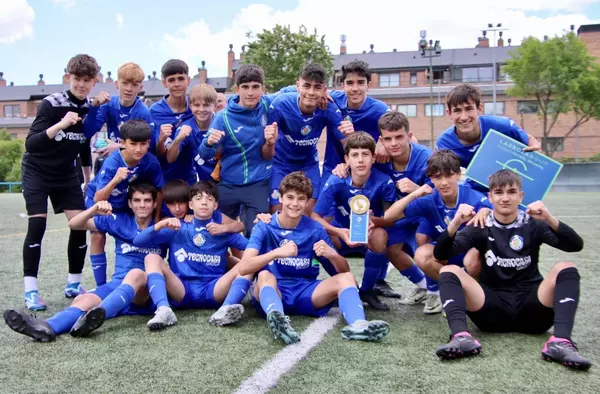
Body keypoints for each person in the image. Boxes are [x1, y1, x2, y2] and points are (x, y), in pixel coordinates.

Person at [432, 169, 591, 370]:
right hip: (492, 310)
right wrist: (456, 222)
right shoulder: (480, 226)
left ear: (521, 196)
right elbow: (440, 254)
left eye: (511, 192)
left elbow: (575, 245)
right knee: (449, 271)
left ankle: (560, 341)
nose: (505, 198)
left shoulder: (533, 224)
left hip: (533, 310)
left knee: (566, 267)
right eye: (499, 192)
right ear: (490, 197)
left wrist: (549, 218)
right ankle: (461, 337)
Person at [239, 171, 389, 345]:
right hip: (274, 291)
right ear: (280, 198)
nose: (295, 204)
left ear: (307, 202)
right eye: (290, 197)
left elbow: (343, 273)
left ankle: (359, 324)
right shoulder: (264, 226)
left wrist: (332, 254)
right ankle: (278, 318)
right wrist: (277, 253)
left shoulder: (315, 229)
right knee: (265, 276)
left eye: (301, 199)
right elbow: (244, 267)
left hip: (306, 292)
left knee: (346, 278)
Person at [3, 182, 166, 341]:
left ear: (154, 203)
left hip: (145, 292)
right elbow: (74, 224)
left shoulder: (163, 226)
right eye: (137, 200)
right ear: (130, 203)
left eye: (147, 201)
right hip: (118, 285)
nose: (142, 205)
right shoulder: (119, 221)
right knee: (84, 300)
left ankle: (98, 313)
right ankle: (48, 327)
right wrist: (93, 210)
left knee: (137, 274)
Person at [20, 54, 99, 310]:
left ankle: (73, 284)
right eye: (77, 79)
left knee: (80, 224)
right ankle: (31, 291)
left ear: (94, 81)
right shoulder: (51, 104)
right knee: (37, 226)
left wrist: (88, 179)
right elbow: (31, 143)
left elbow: (84, 143)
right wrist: (61, 124)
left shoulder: (90, 107)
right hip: (37, 170)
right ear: (68, 78)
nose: (82, 85)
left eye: (87, 80)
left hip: (67, 173)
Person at [332, 111, 431, 301]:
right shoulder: (380, 159)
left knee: (425, 246)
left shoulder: (426, 158)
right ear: (381, 140)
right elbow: (359, 161)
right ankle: (426, 287)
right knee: (391, 246)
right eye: (388, 139)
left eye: (399, 137)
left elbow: (441, 196)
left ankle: (440, 287)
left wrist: (416, 189)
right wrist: (343, 167)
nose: (393, 143)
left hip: (427, 213)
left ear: (410, 137)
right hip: (400, 215)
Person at [384, 150, 492, 314]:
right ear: (431, 178)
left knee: (472, 260)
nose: (443, 182)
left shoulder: (474, 198)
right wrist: (415, 193)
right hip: (448, 251)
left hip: (473, 254)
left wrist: (487, 211)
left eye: (448, 176)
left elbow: (500, 218)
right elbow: (389, 216)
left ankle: (481, 294)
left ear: (458, 175)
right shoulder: (429, 199)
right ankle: (453, 292)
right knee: (422, 253)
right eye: (437, 177)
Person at [132, 181, 250, 330]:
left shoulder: (222, 231)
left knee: (249, 263)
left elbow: (254, 249)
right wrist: (160, 225)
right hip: (181, 290)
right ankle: (164, 309)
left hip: (213, 290)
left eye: (209, 199)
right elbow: (138, 242)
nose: (204, 203)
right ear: (191, 204)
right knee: (151, 257)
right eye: (199, 198)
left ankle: (225, 309)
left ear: (215, 206)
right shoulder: (177, 227)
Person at [313, 132, 398, 311]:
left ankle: (367, 290)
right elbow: (315, 217)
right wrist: (339, 232)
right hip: (342, 232)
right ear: (347, 159)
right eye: (355, 155)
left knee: (381, 236)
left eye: (365, 154)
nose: (360, 160)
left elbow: (390, 220)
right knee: (319, 239)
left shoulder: (384, 182)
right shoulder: (337, 180)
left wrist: (372, 220)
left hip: (368, 232)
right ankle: (345, 284)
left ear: (373, 158)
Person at [199, 64, 278, 237]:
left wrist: (328, 94)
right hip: (229, 183)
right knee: (215, 231)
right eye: (245, 87)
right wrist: (209, 143)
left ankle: (254, 263)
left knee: (257, 232)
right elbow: (204, 155)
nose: (250, 92)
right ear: (237, 89)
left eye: (255, 87)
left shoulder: (267, 105)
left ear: (263, 89)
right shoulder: (222, 118)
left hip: (258, 183)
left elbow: (292, 91)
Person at [85, 120, 165, 286]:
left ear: (149, 143)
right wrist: (115, 180)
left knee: (134, 234)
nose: (138, 149)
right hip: (102, 202)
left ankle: (133, 275)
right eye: (133, 144)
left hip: (126, 204)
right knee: (98, 236)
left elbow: (159, 191)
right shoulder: (113, 163)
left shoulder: (150, 161)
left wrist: (157, 218)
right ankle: (101, 286)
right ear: (122, 143)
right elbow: (99, 198)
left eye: (143, 144)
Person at [267, 64, 353, 214]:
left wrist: (349, 136)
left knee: (308, 209)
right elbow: (255, 101)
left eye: (317, 87)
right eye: (306, 86)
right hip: (281, 163)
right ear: (297, 86)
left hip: (308, 164)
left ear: (324, 90)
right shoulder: (280, 104)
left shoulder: (329, 108)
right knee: (277, 211)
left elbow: (347, 144)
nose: (311, 92)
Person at [436, 84, 541, 192]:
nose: (463, 117)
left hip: (507, 188)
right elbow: (445, 176)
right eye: (457, 110)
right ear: (449, 113)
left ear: (479, 108)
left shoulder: (502, 126)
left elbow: (530, 141)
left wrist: (535, 147)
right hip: (474, 190)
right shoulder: (444, 143)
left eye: (469, 109)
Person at [84, 62, 155, 159]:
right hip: (113, 161)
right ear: (117, 84)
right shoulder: (107, 104)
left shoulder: (144, 113)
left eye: (134, 85)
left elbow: (150, 147)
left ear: (140, 88)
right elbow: (88, 132)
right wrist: (94, 107)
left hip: (134, 165)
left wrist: (119, 147)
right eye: (125, 83)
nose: (129, 89)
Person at [166, 84, 219, 185]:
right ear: (190, 106)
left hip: (225, 181)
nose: (202, 109)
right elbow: (170, 158)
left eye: (206, 105)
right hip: (200, 184)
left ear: (215, 106)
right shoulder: (186, 127)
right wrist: (178, 140)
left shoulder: (222, 123)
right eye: (197, 105)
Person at [150, 59, 193, 160]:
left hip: (191, 173)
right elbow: (156, 153)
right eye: (171, 80)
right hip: (164, 173)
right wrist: (161, 140)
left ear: (189, 80)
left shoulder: (196, 108)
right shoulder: (155, 112)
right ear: (164, 83)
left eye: (181, 78)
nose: (177, 84)